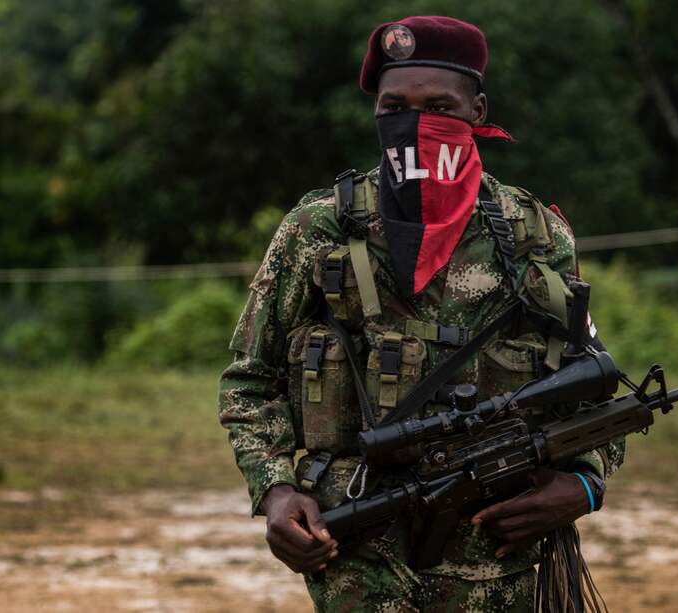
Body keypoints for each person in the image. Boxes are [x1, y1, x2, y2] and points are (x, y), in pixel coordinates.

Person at [220, 15, 625, 612]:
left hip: (497, 555)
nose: (414, 125)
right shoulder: (318, 229)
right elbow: (249, 381)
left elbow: (593, 389)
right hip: (354, 547)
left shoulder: (533, 236)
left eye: (439, 105)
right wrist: (276, 491)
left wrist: (584, 485)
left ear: (478, 110)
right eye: (394, 108)